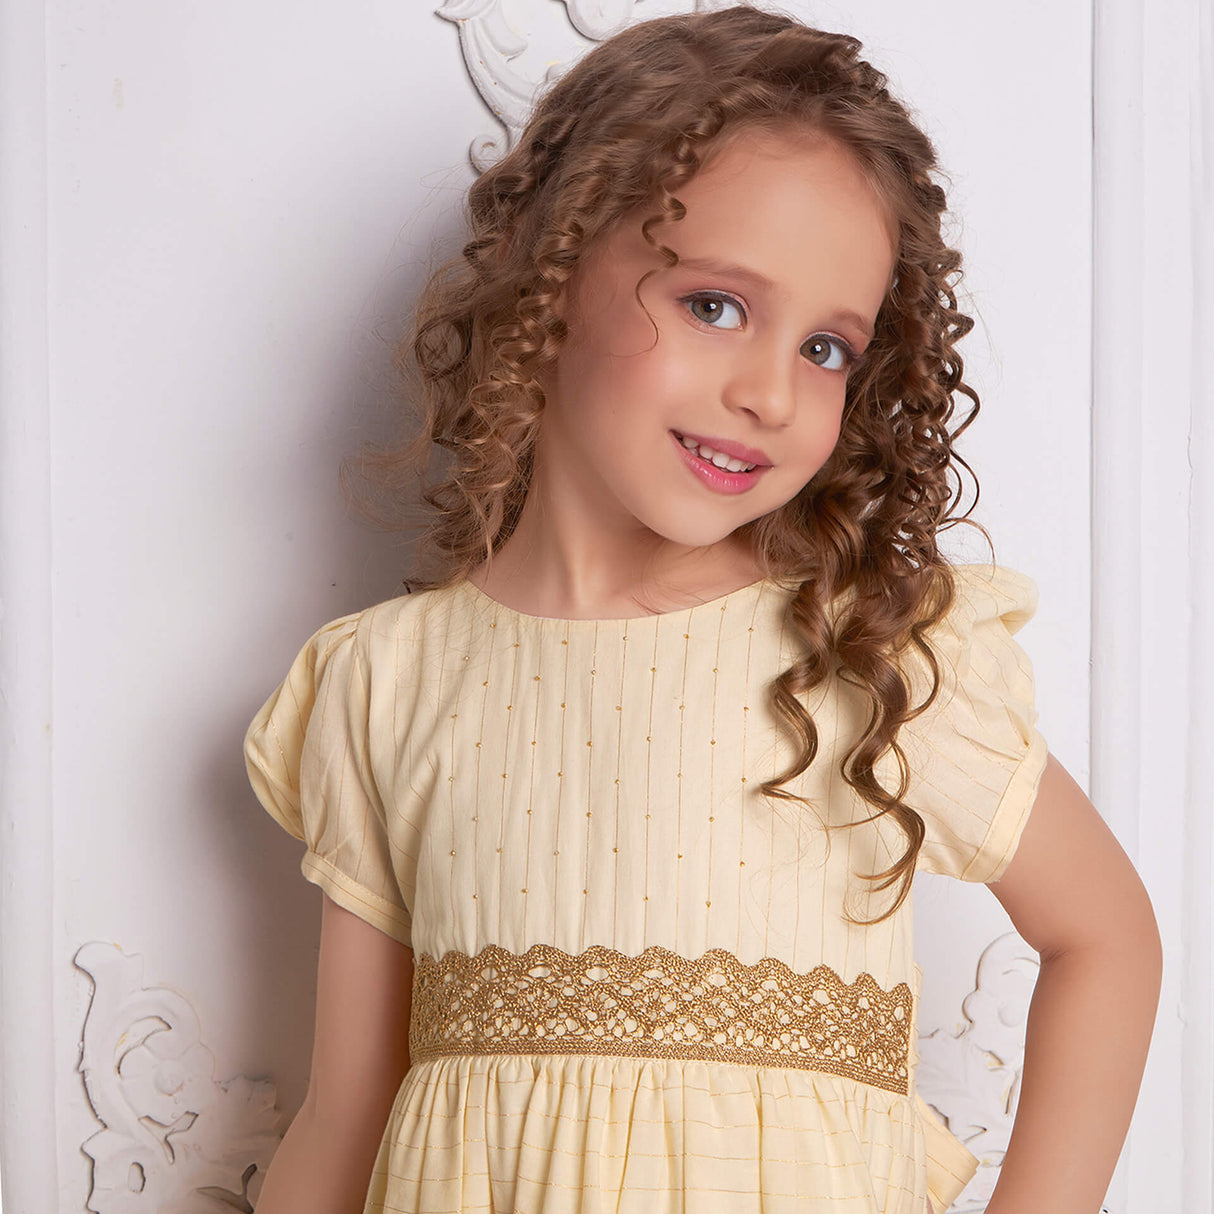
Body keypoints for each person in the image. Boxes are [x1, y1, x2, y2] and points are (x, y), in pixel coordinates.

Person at [242, 7, 1161, 1213]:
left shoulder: (861, 650)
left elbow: (1104, 936)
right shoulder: (387, 679)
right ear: (551, 274)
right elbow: (344, 1109)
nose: (770, 393)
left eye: (825, 348)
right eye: (715, 306)